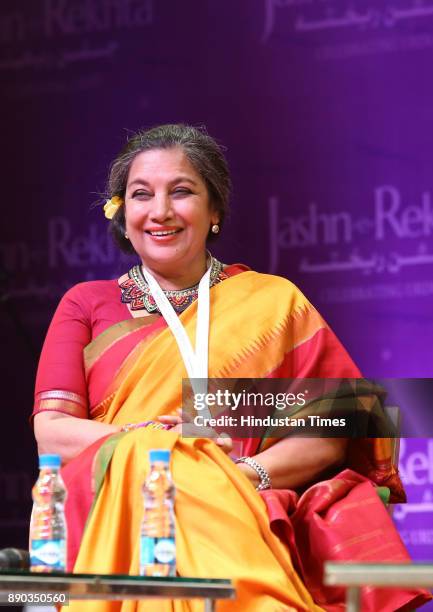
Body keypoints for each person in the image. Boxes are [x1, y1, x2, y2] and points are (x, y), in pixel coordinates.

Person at [32, 124, 430, 611]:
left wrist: (239, 474)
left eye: (181, 192)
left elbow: (332, 427)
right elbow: (51, 432)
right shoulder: (85, 304)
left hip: (245, 496)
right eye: (141, 195)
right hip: (118, 498)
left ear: (213, 210)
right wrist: (156, 446)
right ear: (123, 211)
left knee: (214, 501)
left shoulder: (272, 301)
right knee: (158, 470)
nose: (160, 212)